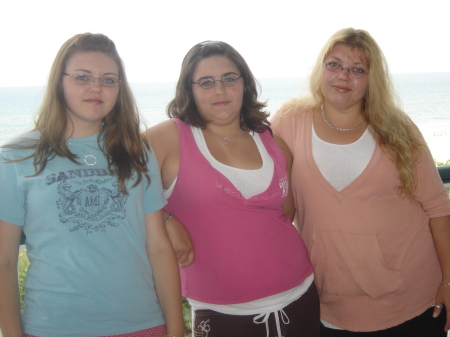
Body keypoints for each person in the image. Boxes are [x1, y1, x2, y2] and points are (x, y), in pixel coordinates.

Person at [0, 33, 184, 337]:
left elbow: (159, 247)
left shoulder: (137, 151)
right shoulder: (16, 158)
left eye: (109, 80)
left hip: (142, 324)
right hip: (51, 328)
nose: (96, 87)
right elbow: (5, 261)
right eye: (82, 77)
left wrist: (176, 330)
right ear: (59, 82)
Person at [271, 27, 450, 336]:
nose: (343, 76)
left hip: (413, 298)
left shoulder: (398, 129)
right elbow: (254, 178)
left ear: (371, 80)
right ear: (321, 68)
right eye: (334, 64)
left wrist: (448, 280)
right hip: (330, 304)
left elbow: (437, 209)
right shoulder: (289, 120)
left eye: (357, 70)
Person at [146, 41, 319, 337]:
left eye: (229, 79)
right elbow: (114, 180)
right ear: (189, 89)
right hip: (221, 315)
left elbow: (285, 215)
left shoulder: (273, 143)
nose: (220, 90)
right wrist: (165, 218)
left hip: (300, 298)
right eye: (206, 82)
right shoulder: (168, 138)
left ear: (245, 84)